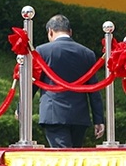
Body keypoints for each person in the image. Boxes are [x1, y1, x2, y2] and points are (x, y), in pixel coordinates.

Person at [35, 14, 105, 148]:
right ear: (70, 32)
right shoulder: (87, 53)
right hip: (79, 116)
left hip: (53, 114)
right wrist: (99, 119)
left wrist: (21, 108)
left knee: (63, 160)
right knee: (74, 159)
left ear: (50, 31)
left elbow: (33, 83)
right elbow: (94, 89)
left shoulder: (42, 51)